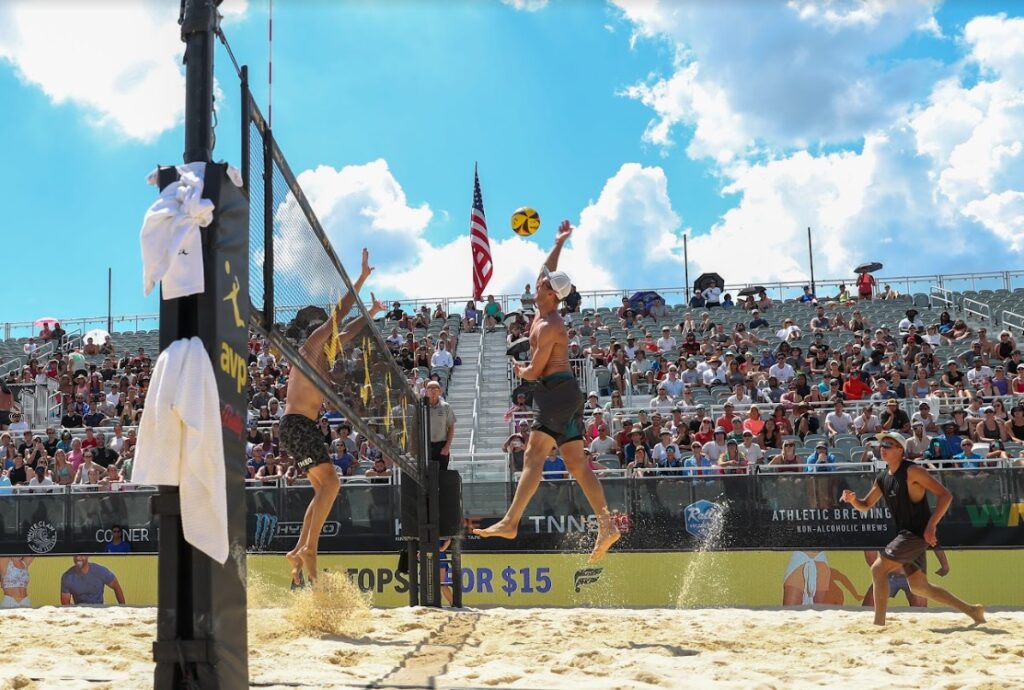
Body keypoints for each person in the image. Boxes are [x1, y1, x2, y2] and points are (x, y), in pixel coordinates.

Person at [473, 220, 619, 561]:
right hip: (563, 393)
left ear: (551, 294)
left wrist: (520, 370)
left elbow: (535, 370)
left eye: (543, 283)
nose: (538, 280)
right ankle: (607, 525)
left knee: (533, 456)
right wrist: (559, 242)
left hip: (554, 392)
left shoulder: (551, 325)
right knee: (577, 464)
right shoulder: (544, 310)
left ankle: (510, 522)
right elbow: (547, 268)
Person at [279, 249, 380, 588]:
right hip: (298, 425)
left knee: (322, 488)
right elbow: (340, 315)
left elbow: (348, 331)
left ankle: (299, 550)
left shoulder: (324, 354)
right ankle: (309, 548)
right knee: (332, 485)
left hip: (299, 426)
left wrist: (372, 313)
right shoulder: (310, 347)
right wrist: (361, 279)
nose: (332, 335)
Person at [840, 431, 984, 627]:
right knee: (919, 587)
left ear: (900, 450)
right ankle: (972, 610)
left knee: (878, 569)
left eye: (888, 445)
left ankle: (878, 624)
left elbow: (945, 495)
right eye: (882, 445)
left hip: (916, 534)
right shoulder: (882, 478)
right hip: (907, 534)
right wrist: (853, 500)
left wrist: (931, 526)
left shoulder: (912, 471)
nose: (882, 448)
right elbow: (865, 505)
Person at [60, 555, 126, 605]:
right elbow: (65, 604)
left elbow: (117, 587)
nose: (78, 558)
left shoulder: (100, 571)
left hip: (98, 613)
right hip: (80, 614)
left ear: (88, 555)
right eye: (76, 555)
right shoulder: (67, 577)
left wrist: (123, 609)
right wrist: (75, 612)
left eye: (82, 555)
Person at [425, 380, 456, 471]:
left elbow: (451, 427)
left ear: (440, 391)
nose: (433, 390)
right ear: (426, 391)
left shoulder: (446, 407)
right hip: (426, 446)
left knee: (442, 475)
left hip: (441, 446)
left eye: (435, 388)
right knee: (427, 475)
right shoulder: (422, 408)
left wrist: (447, 447)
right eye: (430, 388)